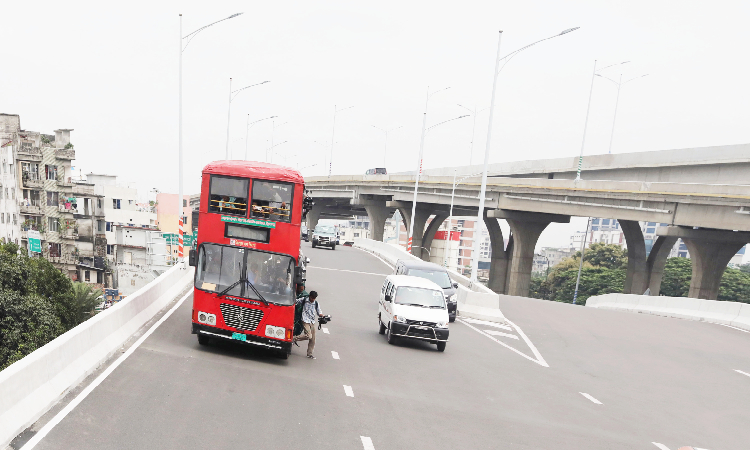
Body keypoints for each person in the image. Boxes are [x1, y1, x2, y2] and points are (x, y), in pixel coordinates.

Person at [293, 290, 322, 359]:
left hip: (312, 322)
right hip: (305, 321)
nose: (313, 299)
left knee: (313, 339)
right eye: (312, 298)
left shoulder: (316, 303)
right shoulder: (304, 300)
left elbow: (319, 312)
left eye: (314, 298)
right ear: (309, 296)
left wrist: (322, 316)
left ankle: (310, 354)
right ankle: (293, 338)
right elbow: (295, 301)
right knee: (308, 336)